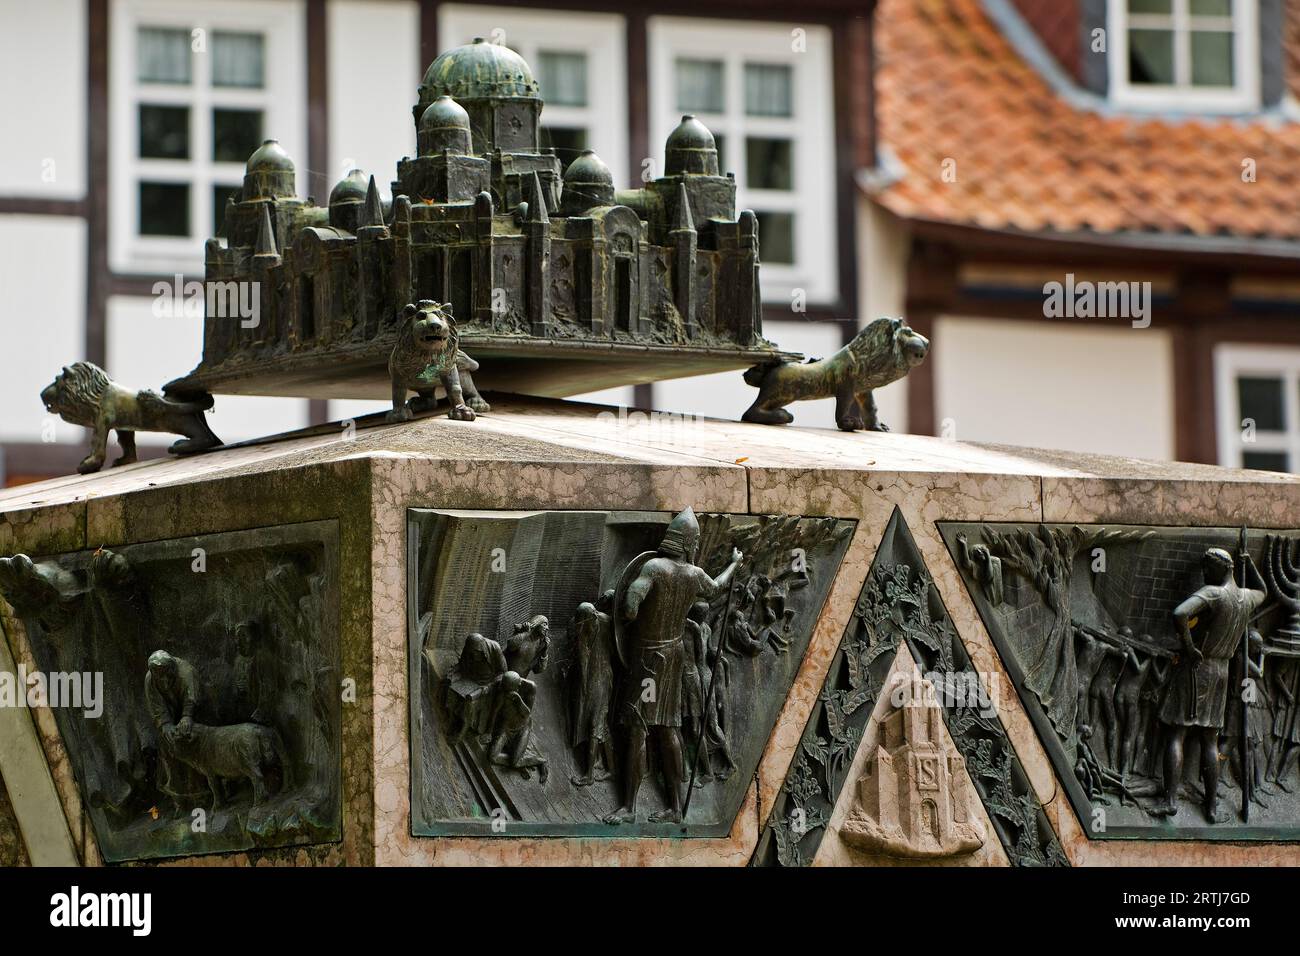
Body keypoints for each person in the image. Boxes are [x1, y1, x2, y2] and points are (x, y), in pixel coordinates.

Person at [604, 507, 743, 824]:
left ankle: (628, 807)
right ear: (690, 543)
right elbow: (718, 587)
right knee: (668, 729)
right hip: (674, 658)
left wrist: (628, 608)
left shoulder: (653, 568)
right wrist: (735, 563)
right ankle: (677, 808)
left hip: (649, 662)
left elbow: (628, 608)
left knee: (639, 727)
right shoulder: (694, 576)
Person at [1154, 547, 1266, 823]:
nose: (1204, 573)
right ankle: (1211, 806)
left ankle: (1169, 801)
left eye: (1207, 568)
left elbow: (1180, 613)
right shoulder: (1247, 597)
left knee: (1177, 734)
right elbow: (1263, 590)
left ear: (1220, 569)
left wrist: (1189, 647)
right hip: (1222, 672)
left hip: (1197, 668)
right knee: (1209, 740)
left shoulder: (1213, 593)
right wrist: (1250, 563)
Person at [144, 650, 199, 815]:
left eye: (166, 674)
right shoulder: (150, 680)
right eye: (159, 676)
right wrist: (166, 725)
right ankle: (179, 799)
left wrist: (187, 717)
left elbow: (193, 698)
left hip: (198, 715)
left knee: (197, 746)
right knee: (167, 750)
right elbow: (156, 707)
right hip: (173, 721)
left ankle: (202, 795)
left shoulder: (186, 673)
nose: (163, 680)